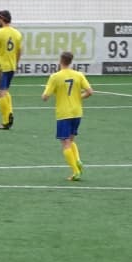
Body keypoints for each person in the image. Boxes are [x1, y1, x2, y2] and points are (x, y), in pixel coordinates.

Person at [41, 51, 93, 181]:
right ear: (71, 61)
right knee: (71, 140)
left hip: (64, 113)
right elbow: (90, 92)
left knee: (65, 143)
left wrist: (46, 95)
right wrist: (78, 97)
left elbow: (45, 97)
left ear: (60, 61)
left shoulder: (55, 77)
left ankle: (75, 171)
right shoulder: (78, 75)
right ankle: (78, 160)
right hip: (77, 112)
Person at [0, 9, 22, 130]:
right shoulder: (17, 33)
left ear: (1, 18)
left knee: (0, 93)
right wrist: (15, 63)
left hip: (1, 68)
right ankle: (9, 114)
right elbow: (19, 51)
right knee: (5, 91)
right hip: (11, 66)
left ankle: (6, 121)